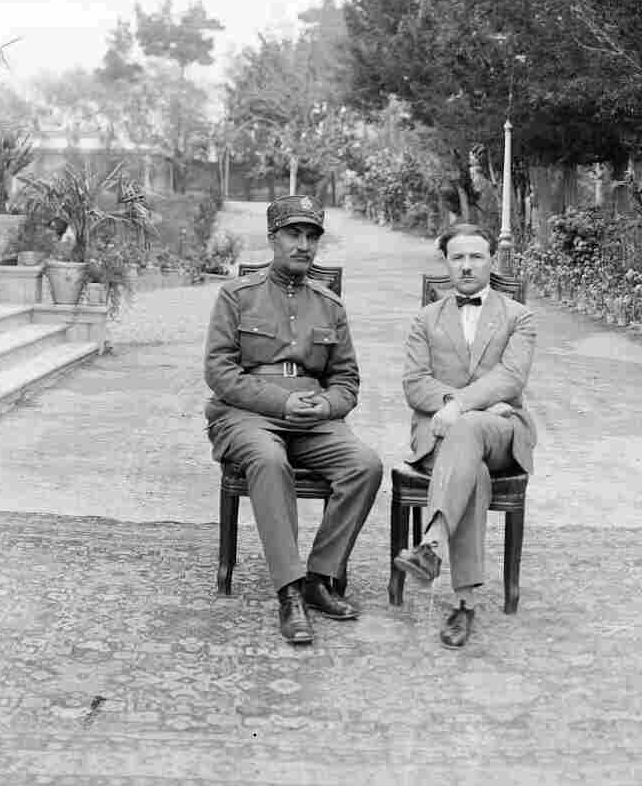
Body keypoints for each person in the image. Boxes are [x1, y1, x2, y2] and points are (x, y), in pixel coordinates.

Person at [204, 194, 383, 646]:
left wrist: (328, 405)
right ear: (273, 239)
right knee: (268, 460)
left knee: (364, 465)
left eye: (311, 237)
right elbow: (220, 372)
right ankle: (289, 591)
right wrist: (281, 403)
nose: (303, 245)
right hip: (247, 414)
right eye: (293, 234)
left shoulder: (329, 305)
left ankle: (320, 579)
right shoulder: (237, 295)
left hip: (313, 416)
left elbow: (346, 379)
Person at [394, 223, 537, 648]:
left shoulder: (518, 317)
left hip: (500, 430)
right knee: (471, 468)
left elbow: (511, 377)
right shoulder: (426, 319)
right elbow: (414, 384)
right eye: (458, 257)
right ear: (446, 263)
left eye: (476, 256)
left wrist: (460, 407)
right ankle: (464, 603)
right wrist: (462, 406)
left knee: (471, 427)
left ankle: (432, 542)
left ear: (493, 260)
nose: (467, 265)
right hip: (442, 435)